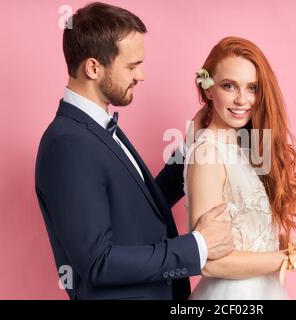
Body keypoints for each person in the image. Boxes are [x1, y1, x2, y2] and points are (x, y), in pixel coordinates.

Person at [35, 2, 234, 300]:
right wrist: (196, 247)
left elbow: (142, 208)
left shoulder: (96, 127)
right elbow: (98, 263)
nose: (141, 76)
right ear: (93, 67)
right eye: (132, 66)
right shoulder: (68, 144)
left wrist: (191, 145)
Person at [184, 37, 296, 299]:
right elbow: (208, 262)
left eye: (252, 88)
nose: (242, 100)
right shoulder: (208, 154)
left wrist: (286, 245)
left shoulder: (244, 146)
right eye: (229, 86)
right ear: (209, 89)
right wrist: (290, 260)